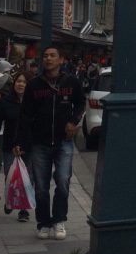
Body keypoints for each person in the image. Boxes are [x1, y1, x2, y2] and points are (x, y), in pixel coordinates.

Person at [16, 46, 85, 241]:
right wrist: (20, 141)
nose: (48, 59)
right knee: (41, 186)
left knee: (63, 181)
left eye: (52, 55)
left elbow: (81, 103)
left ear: (61, 59)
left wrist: (73, 121)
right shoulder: (35, 85)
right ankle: (43, 222)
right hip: (39, 142)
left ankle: (59, 220)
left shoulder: (71, 82)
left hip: (64, 141)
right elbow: (25, 115)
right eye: (45, 56)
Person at [0, 70, 31, 222]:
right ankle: (10, 199)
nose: (21, 84)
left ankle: (23, 210)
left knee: (27, 178)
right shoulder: (6, 101)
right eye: (18, 81)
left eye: (24, 82)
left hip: (28, 144)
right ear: (14, 84)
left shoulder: (33, 101)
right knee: (11, 175)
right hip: (10, 144)